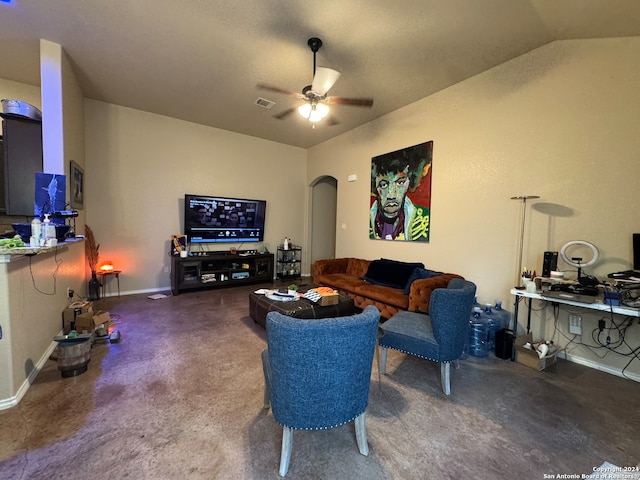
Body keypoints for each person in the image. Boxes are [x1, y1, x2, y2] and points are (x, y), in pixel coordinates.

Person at [369, 142, 432, 242]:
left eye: (400, 183)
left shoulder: (424, 221)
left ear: (410, 181)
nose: (391, 195)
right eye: (384, 185)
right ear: (375, 187)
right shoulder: (366, 221)